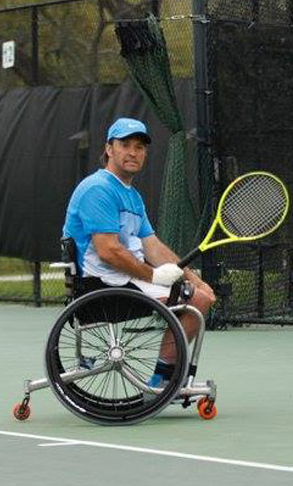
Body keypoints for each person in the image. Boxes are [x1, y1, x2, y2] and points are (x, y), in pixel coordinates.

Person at [62, 117, 216, 386]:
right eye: (125, 145)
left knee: (201, 296)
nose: (133, 152)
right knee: (196, 303)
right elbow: (109, 251)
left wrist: (195, 279)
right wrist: (154, 276)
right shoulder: (98, 189)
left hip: (123, 281)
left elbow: (153, 247)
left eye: (139, 147)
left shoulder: (131, 196)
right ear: (109, 149)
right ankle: (162, 382)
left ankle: (163, 380)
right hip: (99, 287)